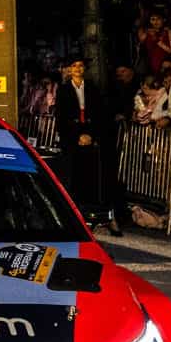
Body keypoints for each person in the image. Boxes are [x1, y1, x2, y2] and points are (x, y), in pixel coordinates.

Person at [53, 55, 120, 234]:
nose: (77, 69)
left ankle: (94, 215)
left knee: (91, 176)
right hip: (72, 138)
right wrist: (76, 136)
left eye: (81, 66)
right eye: (74, 66)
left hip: (90, 135)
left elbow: (100, 114)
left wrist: (91, 135)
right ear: (69, 69)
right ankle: (74, 215)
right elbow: (61, 118)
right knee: (73, 176)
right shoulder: (63, 89)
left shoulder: (92, 88)